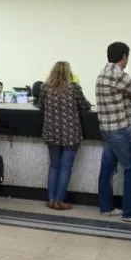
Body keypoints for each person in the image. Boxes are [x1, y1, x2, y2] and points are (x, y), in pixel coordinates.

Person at [95, 42, 131, 224]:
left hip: (107, 129)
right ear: (124, 56)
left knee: (107, 169)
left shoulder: (103, 73)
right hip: (121, 130)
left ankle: (106, 207)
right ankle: (130, 212)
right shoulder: (118, 74)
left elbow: (126, 95)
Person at [37, 62, 91, 211]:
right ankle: (60, 201)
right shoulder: (74, 88)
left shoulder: (45, 88)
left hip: (51, 132)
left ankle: (51, 199)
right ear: (69, 73)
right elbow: (85, 106)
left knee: (54, 165)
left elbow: (40, 106)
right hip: (70, 133)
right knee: (65, 167)